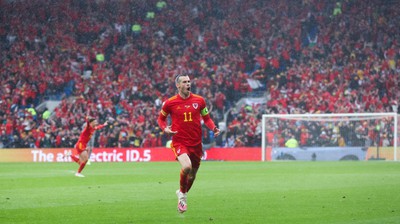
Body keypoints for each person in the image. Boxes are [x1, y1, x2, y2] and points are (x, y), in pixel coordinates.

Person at [157, 74, 220, 213]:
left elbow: (207, 118)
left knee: (192, 175)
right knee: (186, 167)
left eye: (189, 81)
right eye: (184, 82)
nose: (188, 84)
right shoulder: (170, 103)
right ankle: (182, 197)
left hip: (196, 143)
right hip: (180, 142)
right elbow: (161, 119)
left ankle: (182, 194)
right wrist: (165, 128)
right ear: (178, 86)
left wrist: (214, 128)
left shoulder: (199, 100)